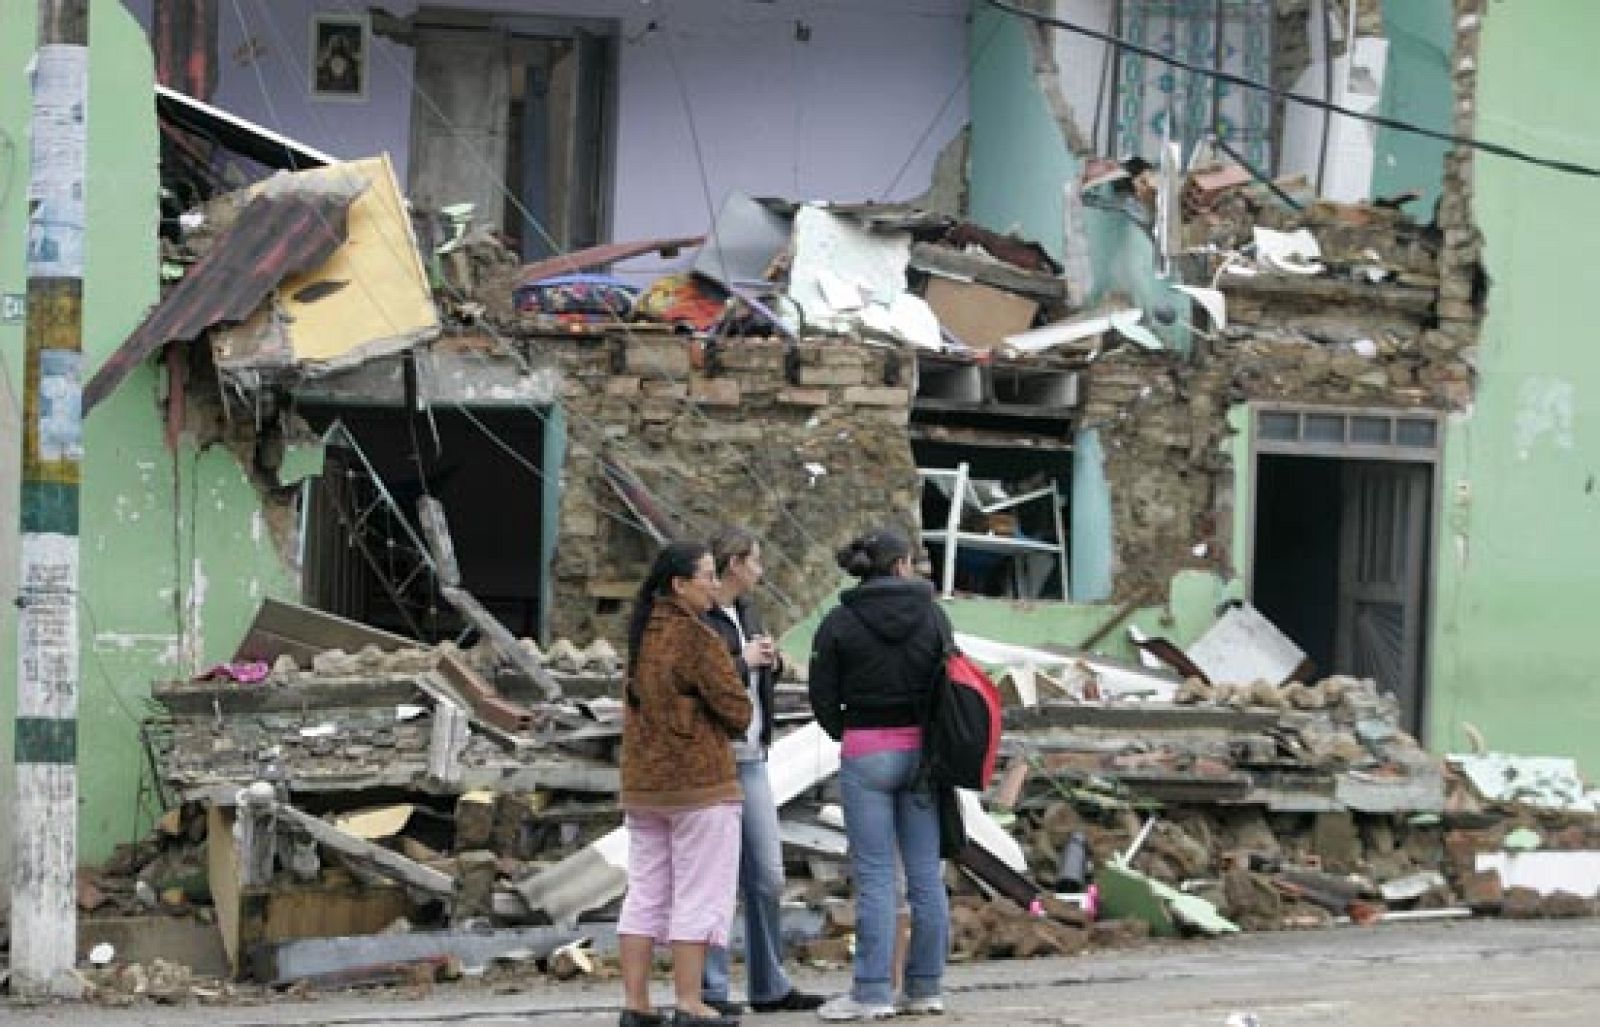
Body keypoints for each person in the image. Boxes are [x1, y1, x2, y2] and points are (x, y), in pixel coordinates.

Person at [807, 528, 951, 1022]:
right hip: (924, 755)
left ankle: (871, 993)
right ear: (901, 566)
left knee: (875, 876)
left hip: (865, 752)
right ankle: (925, 988)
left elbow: (822, 697)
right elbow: (951, 683)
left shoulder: (840, 622)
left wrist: (850, 732)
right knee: (925, 876)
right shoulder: (933, 616)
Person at [618, 541, 754, 1027]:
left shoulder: (641, 636)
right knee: (698, 892)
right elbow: (738, 711)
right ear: (679, 585)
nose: (715, 585)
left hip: (644, 784)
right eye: (707, 576)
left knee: (646, 892)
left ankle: (636, 1004)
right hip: (698, 783)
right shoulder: (697, 638)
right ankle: (690, 1001)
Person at [701, 529, 826, 1017]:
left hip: (753, 757)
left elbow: (747, 678)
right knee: (713, 877)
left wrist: (765, 665)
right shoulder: (701, 618)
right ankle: (711, 988)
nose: (761, 571)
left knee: (768, 875)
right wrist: (742, 661)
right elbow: (702, 678)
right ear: (735, 563)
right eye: (755, 562)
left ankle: (768, 983)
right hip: (715, 757)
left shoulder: (747, 613)